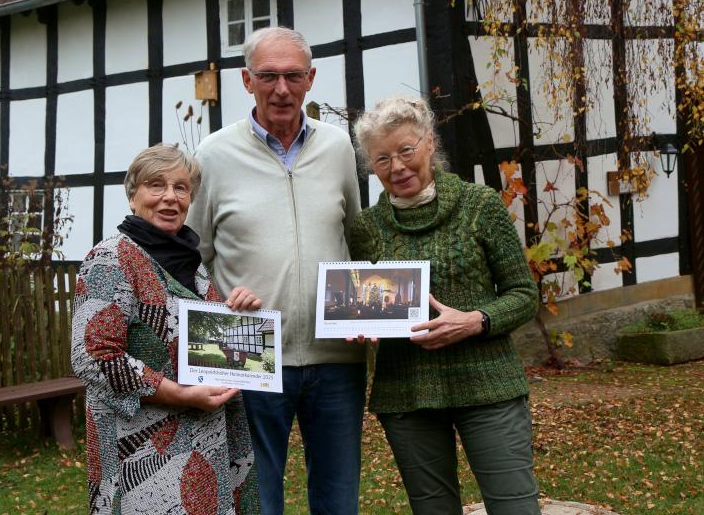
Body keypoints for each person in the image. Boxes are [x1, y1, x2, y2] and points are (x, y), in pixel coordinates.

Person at [186, 27, 364, 514]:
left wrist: (369, 314)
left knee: (338, 499)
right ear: (247, 80)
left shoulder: (338, 147)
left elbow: (356, 237)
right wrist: (217, 305)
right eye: (268, 76)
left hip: (336, 359)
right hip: (246, 355)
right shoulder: (214, 155)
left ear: (310, 79)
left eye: (292, 76)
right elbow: (192, 256)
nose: (281, 89)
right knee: (257, 500)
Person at [349, 95, 542, 515]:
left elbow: (525, 295)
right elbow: (364, 304)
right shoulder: (365, 229)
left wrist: (476, 320)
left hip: (488, 387)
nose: (397, 167)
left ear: (430, 144)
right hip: (406, 394)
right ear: (371, 167)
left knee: (515, 508)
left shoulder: (481, 206)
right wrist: (357, 323)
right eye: (382, 159)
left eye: (406, 150)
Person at [71, 144, 262, 514]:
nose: (169, 198)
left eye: (181, 187)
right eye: (155, 185)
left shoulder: (190, 261)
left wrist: (237, 316)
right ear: (132, 195)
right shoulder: (111, 259)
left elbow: (188, 338)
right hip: (141, 453)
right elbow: (93, 357)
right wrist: (177, 393)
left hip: (204, 443)